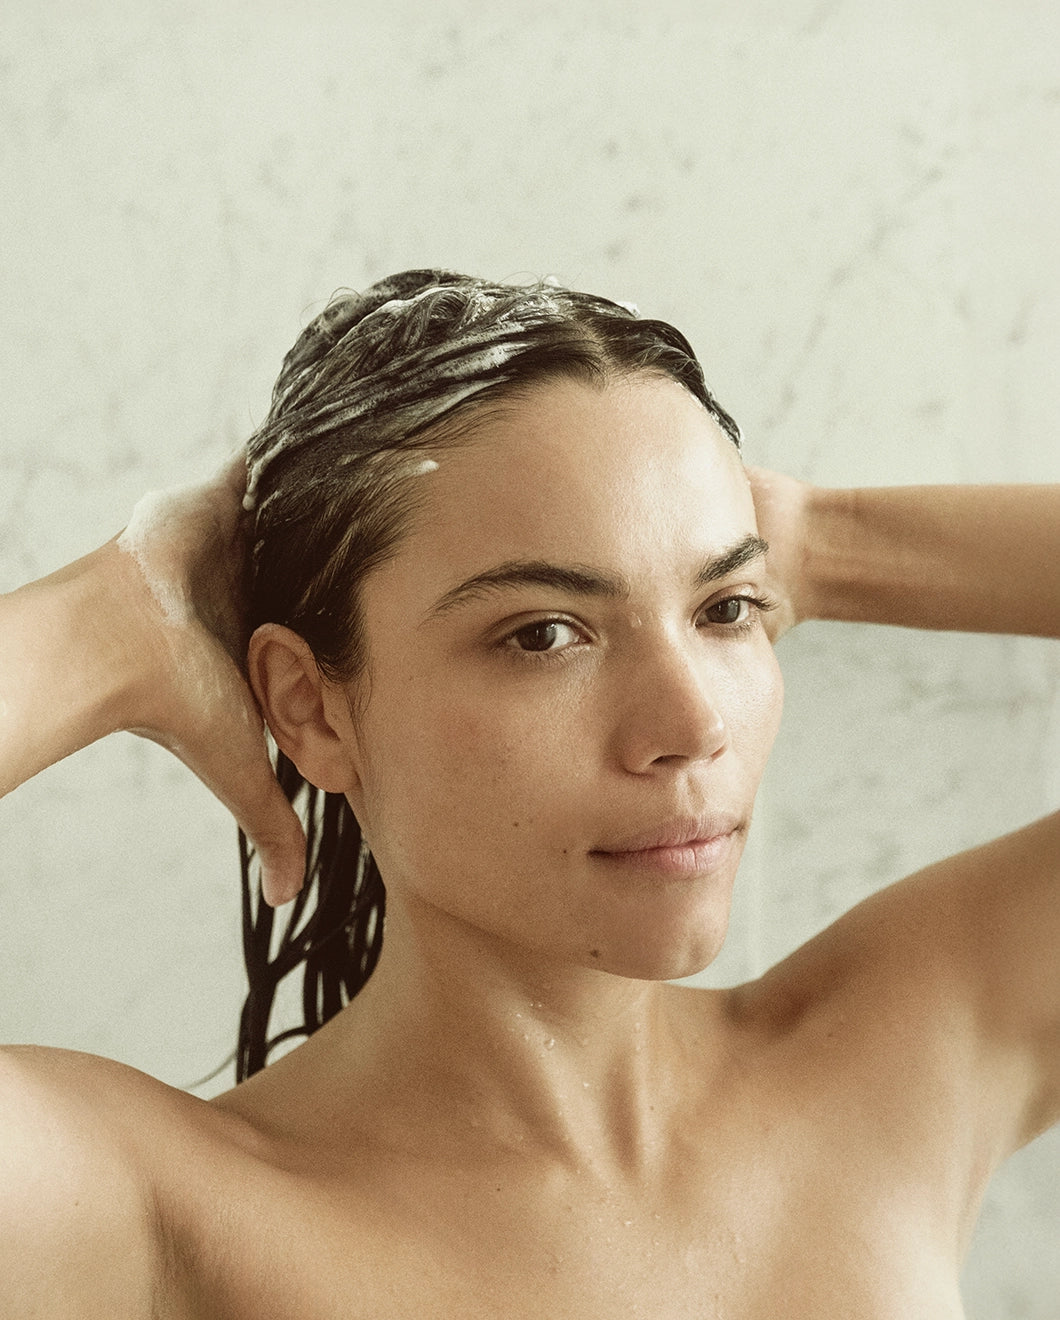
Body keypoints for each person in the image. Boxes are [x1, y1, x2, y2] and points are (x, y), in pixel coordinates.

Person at [0, 270, 1056, 1318]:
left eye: (726, 610)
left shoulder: (890, 1066)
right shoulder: (152, 1210)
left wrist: (827, 540)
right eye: (543, 634)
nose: (692, 729)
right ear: (313, 709)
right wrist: (117, 621)